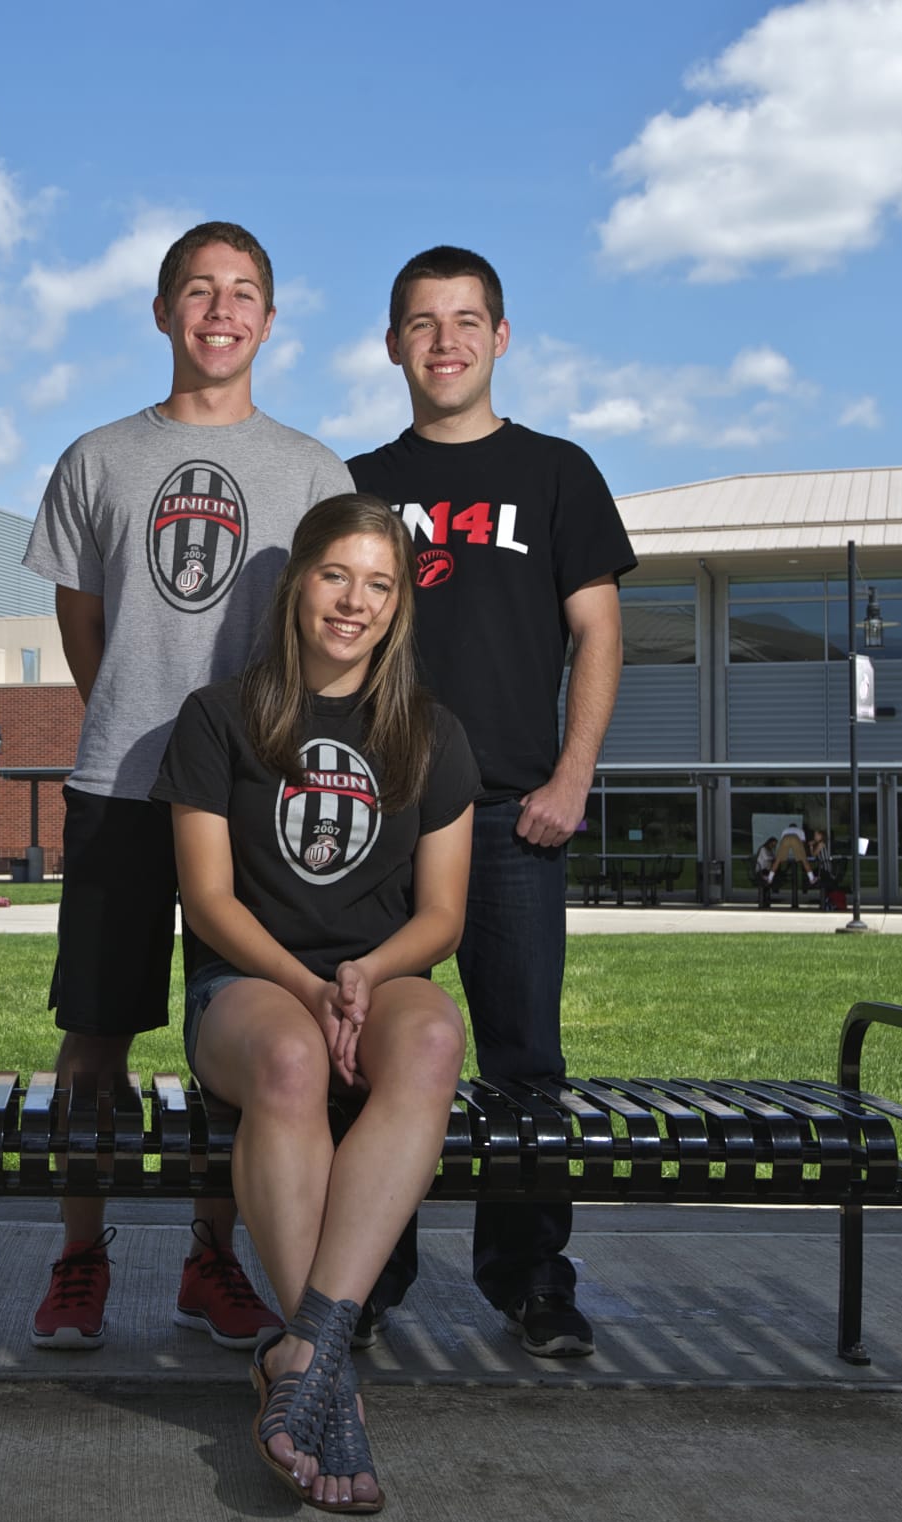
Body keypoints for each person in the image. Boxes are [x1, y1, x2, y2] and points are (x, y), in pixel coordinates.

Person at [21, 221, 355, 1352]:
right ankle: (79, 1258)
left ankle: (211, 1261)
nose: (221, 311)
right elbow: (82, 621)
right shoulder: (95, 458)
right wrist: (130, 705)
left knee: (246, 1035)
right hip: (121, 781)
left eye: (243, 292)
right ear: (162, 313)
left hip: (254, 791)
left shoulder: (313, 469)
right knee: (96, 1037)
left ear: (270, 318)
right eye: (199, 291)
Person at [153, 492, 479, 1512]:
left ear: (397, 605)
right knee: (291, 1061)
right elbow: (204, 899)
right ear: (296, 584)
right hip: (246, 983)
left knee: (432, 1038)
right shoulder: (221, 718)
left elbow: (442, 916)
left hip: (375, 976)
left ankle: (299, 1359)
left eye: (378, 584)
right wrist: (302, 983)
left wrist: (366, 976)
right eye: (336, 575)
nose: (354, 601)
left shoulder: (428, 731)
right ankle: (329, 1373)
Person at [347, 245, 634, 1358]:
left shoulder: (558, 472)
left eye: (465, 321)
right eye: (421, 322)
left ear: (500, 337)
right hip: (383, 821)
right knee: (372, 1052)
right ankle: (366, 1272)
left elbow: (598, 631)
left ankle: (529, 1276)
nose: (444, 341)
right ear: (392, 345)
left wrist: (572, 777)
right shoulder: (362, 483)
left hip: (515, 814)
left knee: (523, 1062)